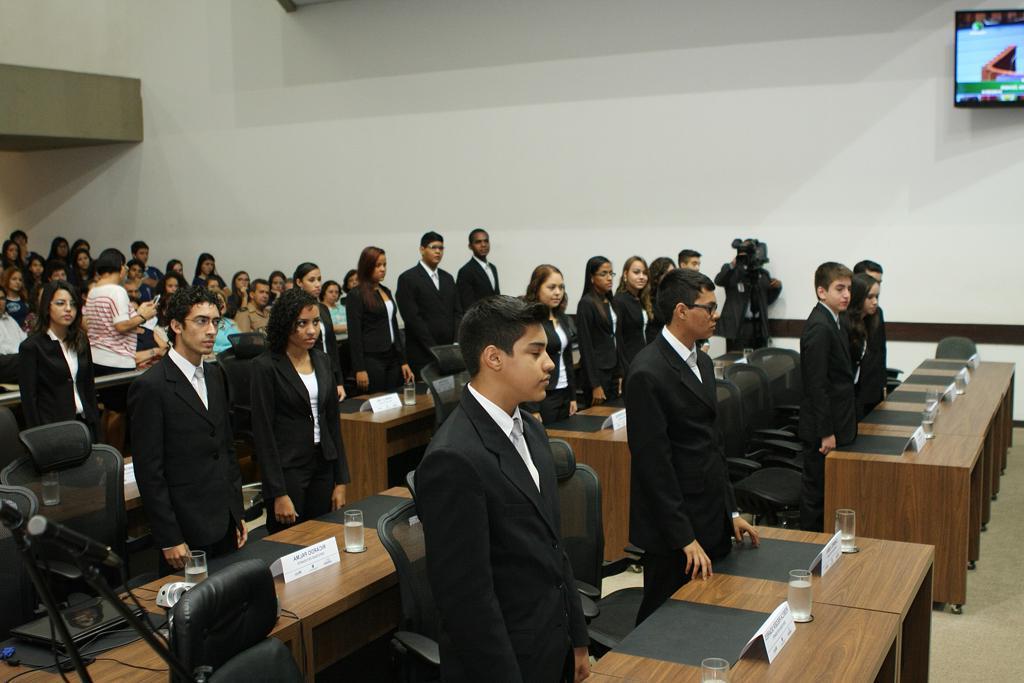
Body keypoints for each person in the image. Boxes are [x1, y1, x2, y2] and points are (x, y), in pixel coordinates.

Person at [415, 295, 590, 683]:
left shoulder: (531, 429)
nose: (550, 363)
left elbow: (553, 547)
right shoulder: (453, 458)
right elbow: (467, 601)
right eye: (535, 353)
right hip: (504, 663)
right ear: (493, 358)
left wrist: (577, 637)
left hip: (552, 644)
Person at [625, 268, 759, 624]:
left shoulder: (701, 360)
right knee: (663, 622)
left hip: (710, 511)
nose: (716, 315)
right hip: (674, 527)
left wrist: (731, 511)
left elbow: (713, 443)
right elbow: (653, 466)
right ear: (681, 311)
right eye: (709, 308)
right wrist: (683, 537)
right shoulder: (647, 371)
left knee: (708, 616)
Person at [128, 286, 246, 576]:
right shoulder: (151, 386)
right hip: (185, 526)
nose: (211, 330)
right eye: (201, 321)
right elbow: (150, 471)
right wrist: (169, 536)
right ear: (177, 326)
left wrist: (236, 511)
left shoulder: (216, 374)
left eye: (215, 322)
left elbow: (226, 448)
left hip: (223, 519)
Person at [251, 288, 349, 533]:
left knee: (323, 536)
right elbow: (263, 434)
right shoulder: (265, 366)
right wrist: (277, 492)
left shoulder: (322, 360)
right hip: (289, 468)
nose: (312, 330)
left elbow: (332, 422)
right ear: (286, 325)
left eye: (315, 322)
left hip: (323, 462)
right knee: (289, 541)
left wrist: (341, 480)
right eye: (302, 323)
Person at [798, 262, 857, 532]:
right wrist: (826, 432)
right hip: (823, 428)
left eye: (849, 289)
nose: (846, 295)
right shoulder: (820, 326)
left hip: (837, 419)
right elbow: (816, 385)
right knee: (817, 494)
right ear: (822, 292)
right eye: (839, 288)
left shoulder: (835, 319)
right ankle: (809, 544)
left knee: (829, 490)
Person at [83, 248, 158, 450]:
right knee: (118, 413)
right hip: (116, 360)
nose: (125, 270)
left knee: (108, 410)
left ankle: (103, 453)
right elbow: (121, 325)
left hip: (97, 358)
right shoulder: (117, 291)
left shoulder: (94, 291)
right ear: (119, 267)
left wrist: (139, 311)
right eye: (124, 265)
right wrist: (143, 316)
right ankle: (116, 456)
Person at [18, 281, 100, 438]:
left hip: (84, 423)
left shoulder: (81, 340)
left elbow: (89, 387)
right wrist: (37, 438)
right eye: (60, 303)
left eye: (73, 304)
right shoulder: (31, 347)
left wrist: (97, 429)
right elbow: (29, 400)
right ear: (47, 307)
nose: (68, 309)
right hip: (53, 429)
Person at [346, 246, 413, 394]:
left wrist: (403, 361)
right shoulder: (356, 295)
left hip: (392, 355)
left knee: (395, 397)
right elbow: (354, 335)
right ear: (367, 266)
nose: (383, 269)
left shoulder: (385, 291)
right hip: (372, 357)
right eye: (377, 265)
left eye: (384, 264)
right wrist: (359, 368)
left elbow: (393, 326)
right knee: (378, 398)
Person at [396, 231, 463, 375]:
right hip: (422, 352)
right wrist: (434, 349)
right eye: (433, 247)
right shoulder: (408, 278)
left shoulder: (447, 278)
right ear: (422, 249)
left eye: (441, 248)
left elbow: (457, 312)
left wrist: (456, 342)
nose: (438, 251)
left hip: (449, 350)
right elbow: (412, 318)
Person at [523, 265, 577, 423]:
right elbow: (527, 365)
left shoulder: (562, 318)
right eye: (552, 287)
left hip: (564, 391)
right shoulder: (531, 321)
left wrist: (573, 396)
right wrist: (532, 407)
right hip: (544, 394)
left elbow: (568, 359)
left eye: (561, 287)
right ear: (537, 288)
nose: (558, 292)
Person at [714, 245, 782, 351]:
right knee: (736, 359)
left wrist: (777, 288)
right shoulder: (732, 271)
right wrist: (732, 265)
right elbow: (719, 281)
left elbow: (766, 301)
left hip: (759, 326)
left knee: (759, 358)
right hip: (737, 327)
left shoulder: (763, 275)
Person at [293, 263, 345, 398]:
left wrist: (339, 381)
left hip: (328, 369)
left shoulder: (323, 309)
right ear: (299, 282)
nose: (317, 284)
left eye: (319, 279)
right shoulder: (293, 310)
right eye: (312, 280)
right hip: (306, 370)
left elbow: (332, 346)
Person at [576, 256, 619, 406]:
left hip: (613, 368)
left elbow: (616, 337)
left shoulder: (610, 301)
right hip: (598, 372)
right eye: (603, 274)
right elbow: (585, 346)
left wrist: (620, 372)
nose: (609, 278)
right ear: (592, 278)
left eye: (611, 273)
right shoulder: (586, 303)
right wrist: (595, 384)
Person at [844, 273, 884, 418]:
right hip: (848, 397)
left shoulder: (871, 320)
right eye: (870, 297)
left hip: (865, 392)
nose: (875, 302)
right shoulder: (844, 324)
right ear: (858, 297)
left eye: (877, 297)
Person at [853, 259, 887, 411]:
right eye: (872, 280)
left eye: (879, 282)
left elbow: (881, 351)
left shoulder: (877, 313)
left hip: (874, 389)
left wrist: (883, 386)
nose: (876, 285)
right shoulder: (845, 320)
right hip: (854, 394)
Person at [613, 255, 652, 376]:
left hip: (642, 360)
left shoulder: (640, 299)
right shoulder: (619, 300)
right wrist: (622, 370)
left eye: (645, 273)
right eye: (636, 272)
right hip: (629, 364)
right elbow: (618, 339)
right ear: (625, 274)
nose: (641, 277)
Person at [456, 227, 500, 310]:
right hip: (477, 317)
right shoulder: (466, 271)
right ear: (470, 246)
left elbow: (497, 297)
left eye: (486, 241)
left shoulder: (493, 268)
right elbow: (467, 305)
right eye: (478, 242)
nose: (483, 245)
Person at [0, 285, 27, 383]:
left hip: (18, 361)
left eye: (2, 298)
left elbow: (25, 340)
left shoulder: (10, 319)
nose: (0, 302)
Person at [646, 256, 676, 339]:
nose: (672, 277)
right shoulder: (647, 298)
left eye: (673, 273)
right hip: (653, 342)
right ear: (657, 276)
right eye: (667, 274)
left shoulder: (676, 296)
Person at [212, 291, 240, 355]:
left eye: (223, 301)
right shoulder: (207, 325)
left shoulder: (231, 322)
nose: (222, 304)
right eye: (218, 301)